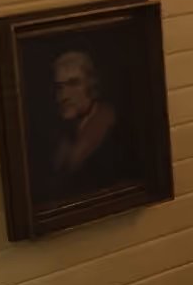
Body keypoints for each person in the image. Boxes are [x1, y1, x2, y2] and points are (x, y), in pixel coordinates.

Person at [41, 48, 133, 197]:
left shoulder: (111, 129)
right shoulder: (61, 134)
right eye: (59, 87)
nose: (63, 96)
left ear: (91, 86)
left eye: (73, 84)